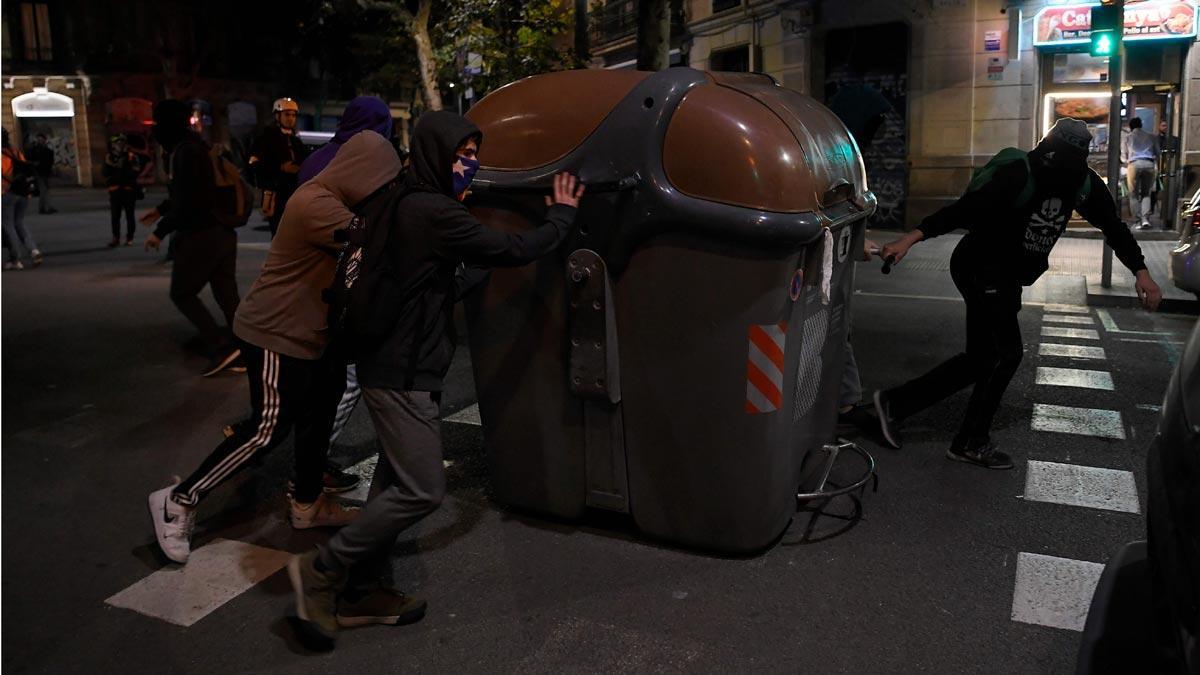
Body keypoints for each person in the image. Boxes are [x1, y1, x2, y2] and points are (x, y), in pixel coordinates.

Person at [286, 111, 585, 648]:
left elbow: (435, 282)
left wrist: (475, 257)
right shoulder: (431, 211)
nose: (468, 165)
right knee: (423, 490)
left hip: (393, 362)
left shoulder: (401, 199)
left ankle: (364, 591)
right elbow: (513, 249)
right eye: (460, 155)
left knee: (393, 485)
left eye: (473, 155)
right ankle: (323, 571)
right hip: (401, 372)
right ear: (433, 154)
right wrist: (562, 217)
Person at [146, 130, 399, 566]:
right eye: (384, 183)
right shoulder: (315, 202)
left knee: (318, 418)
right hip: (274, 333)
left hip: (312, 337)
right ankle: (179, 499)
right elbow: (376, 243)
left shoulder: (340, 202)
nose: (387, 192)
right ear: (364, 174)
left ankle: (307, 505)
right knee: (267, 429)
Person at [872, 118, 1162, 469]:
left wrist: (1141, 272)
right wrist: (910, 239)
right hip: (980, 264)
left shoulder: (1080, 183)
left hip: (1005, 274)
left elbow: (1113, 227)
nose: (1064, 167)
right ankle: (970, 440)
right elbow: (965, 210)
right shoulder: (1021, 172)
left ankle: (891, 406)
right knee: (1005, 354)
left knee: (981, 357)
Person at [295, 95, 394, 450]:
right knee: (347, 375)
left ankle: (311, 456)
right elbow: (362, 230)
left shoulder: (316, 161)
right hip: (341, 282)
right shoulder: (361, 164)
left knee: (324, 374)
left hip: (309, 280)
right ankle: (310, 464)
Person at [139, 100, 242, 376]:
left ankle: (222, 346)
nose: (156, 129)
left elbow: (188, 202)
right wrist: (160, 209)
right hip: (223, 232)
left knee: (182, 293)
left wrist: (160, 231)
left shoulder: (186, 152)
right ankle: (246, 347)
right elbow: (185, 194)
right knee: (226, 294)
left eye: (158, 122)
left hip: (203, 235)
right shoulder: (198, 146)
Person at [249, 97, 308, 237]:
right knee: (278, 234)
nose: (290, 119)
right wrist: (279, 167)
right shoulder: (266, 138)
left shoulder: (296, 141)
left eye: (293, 115)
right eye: (287, 114)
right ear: (277, 115)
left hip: (293, 194)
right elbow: (253, 163)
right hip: (275, 195)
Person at [2, 127, 43, 270]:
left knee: (8, 226)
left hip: (7, 194)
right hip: (23, 193)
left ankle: (15, 259)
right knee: (19, 222)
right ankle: (33, 250)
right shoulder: (16, 153)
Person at [103, 134, 143, 247]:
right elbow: (105, 173)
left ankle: (129, 238)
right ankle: (115, 238)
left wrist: (123, 167)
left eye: (121, 143)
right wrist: (114, 167)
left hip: (128, 191)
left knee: (130, 216)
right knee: (115, 216)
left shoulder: (131, 157)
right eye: (117, 143)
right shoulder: (109, 157)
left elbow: (135, 172)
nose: (119, 145)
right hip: (115, 191)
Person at [1122, 117, 1159, 230]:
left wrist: (1125, 162)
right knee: (1146, 193)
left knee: (1133, 194)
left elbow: (1123, 155)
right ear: (1141, 125)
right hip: (1149, 164)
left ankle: (1137, 220)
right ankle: (1145, 220)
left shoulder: (1128, 137)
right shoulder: (1151, 136)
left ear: (1130, 126)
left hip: (1134, 164)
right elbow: (1158, 152)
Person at [26, 133, 56, 214]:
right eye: (39, 139)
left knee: (46, 190)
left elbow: (51, 161)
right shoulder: (34, 150)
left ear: (44, 140)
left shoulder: (47, 150)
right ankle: (46, 208)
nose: (40, 141)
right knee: (44, 190)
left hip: (46, 172)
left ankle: (42, 208)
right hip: (39, 172)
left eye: (41, 139)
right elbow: (28, 160)